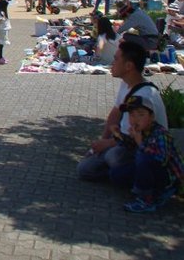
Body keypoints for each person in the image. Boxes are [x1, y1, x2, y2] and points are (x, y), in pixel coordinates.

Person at [77, 39, 168, 185]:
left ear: (129, 66)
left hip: (146, 150)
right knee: (85, 168)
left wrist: (105, 144)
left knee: (113, 157)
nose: (112, 63)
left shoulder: (142, 96)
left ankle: (133, 177)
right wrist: (102, 141)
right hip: (128, 143)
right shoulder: (127, 84)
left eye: (116, 59)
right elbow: (115, 113)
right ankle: (122, 172)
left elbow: (130, 139)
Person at [119, 95, 183, 213]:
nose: (135, 119)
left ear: (151, 117)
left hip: (167, 177)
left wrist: (140, 142)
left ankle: (147, 199)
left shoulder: (161, 133)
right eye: (132, 115)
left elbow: (160, 159)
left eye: (141, 114)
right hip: (151, 170)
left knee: (144, 159)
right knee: (116, 174)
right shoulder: (140, 132)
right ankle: (144, 189)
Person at [0, 0, 10, 64]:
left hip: (4, 30)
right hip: (2, 30)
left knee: (2, 44)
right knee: (1, 44)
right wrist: (2, 19)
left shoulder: (2, 12)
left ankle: (1, 57)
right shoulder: (1, 13)